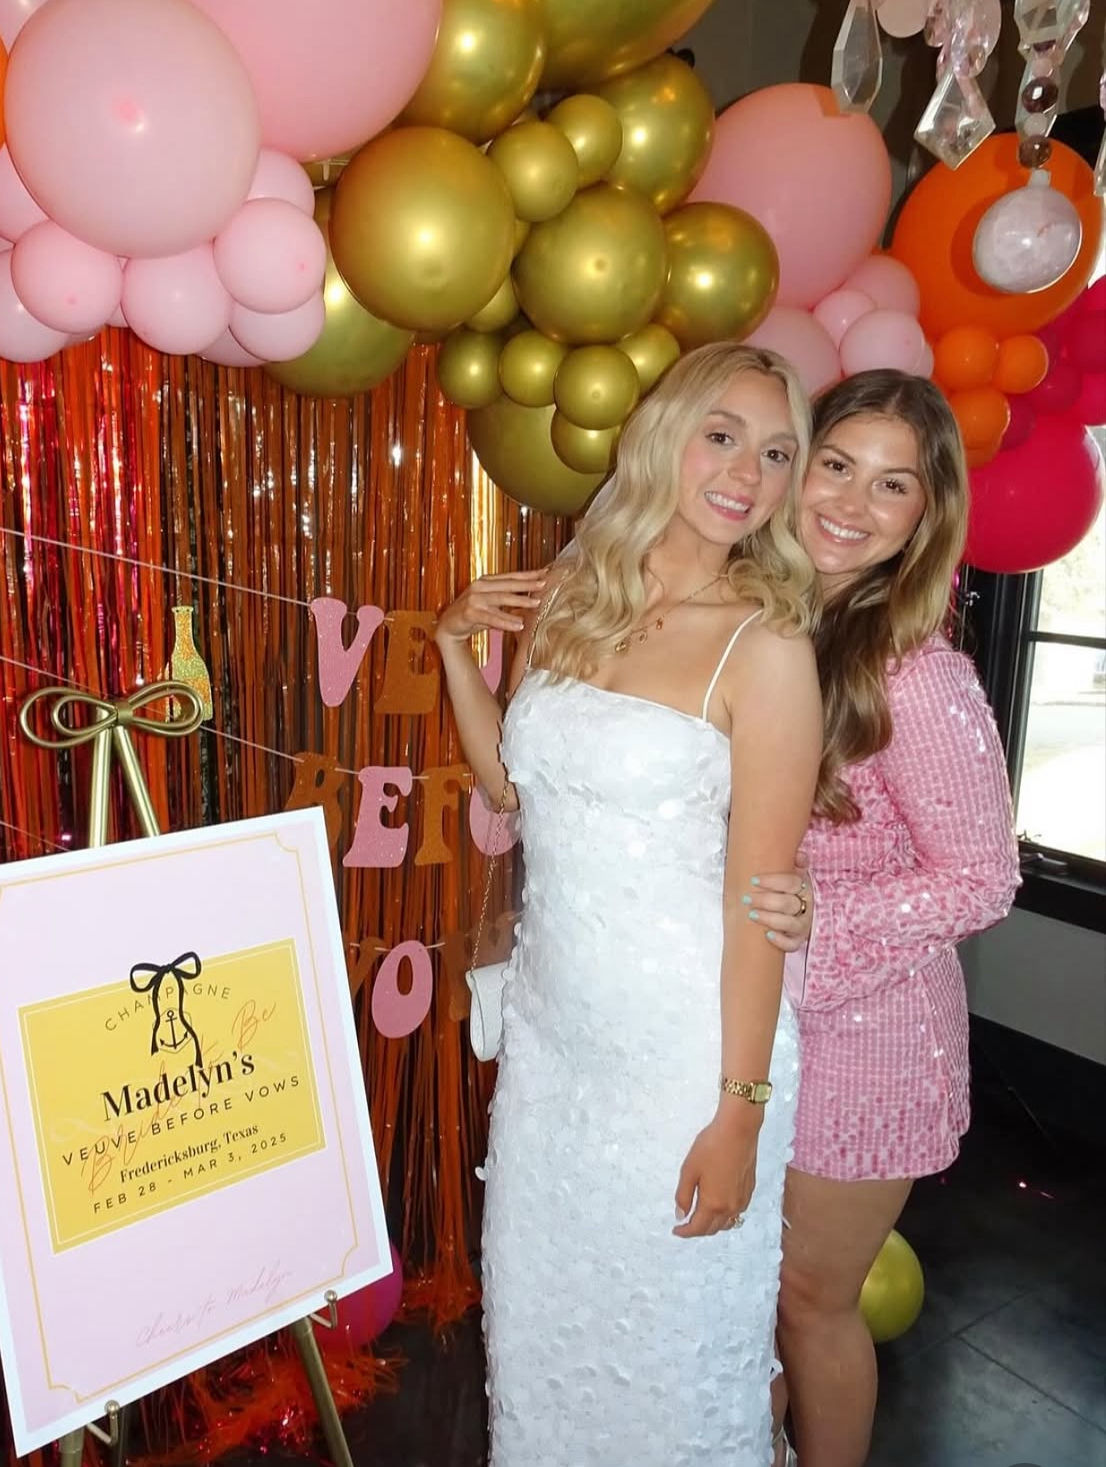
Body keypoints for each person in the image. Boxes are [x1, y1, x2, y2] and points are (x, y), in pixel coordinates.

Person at [435, 342, 828, 1466]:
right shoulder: (571, 591)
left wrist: (741, 1111)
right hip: (556, 1049)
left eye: (776, 452)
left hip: (682, 1060)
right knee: (547, 1338)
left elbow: (761, 904)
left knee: (674, 1360)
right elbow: (516, 789)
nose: (747, 472)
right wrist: (460, 652)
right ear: (665, 436)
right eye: (723, 435)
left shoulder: (767, 647)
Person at [745, 370, 1020, 1467]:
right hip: (744, 1020)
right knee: (745, 1288)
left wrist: (826, 915)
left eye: (892, 485)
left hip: (870, 1045)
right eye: (837, 465)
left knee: (810, 1300)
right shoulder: (751, 629)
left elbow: (984, 877)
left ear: (925, 516)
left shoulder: (921, 675)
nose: (852, 503)